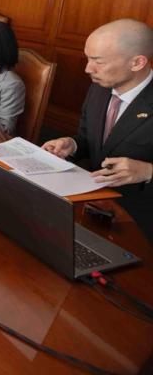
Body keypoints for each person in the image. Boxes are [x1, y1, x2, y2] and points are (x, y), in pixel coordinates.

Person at [42, 19, 153, 241]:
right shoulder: (99, 88)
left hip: (139, 221)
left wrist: (148, 171)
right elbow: (88, 139)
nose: (87, 68)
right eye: (88, 58)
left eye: (98, 61)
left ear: (137, 62)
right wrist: (72, 144)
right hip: (93, 207)